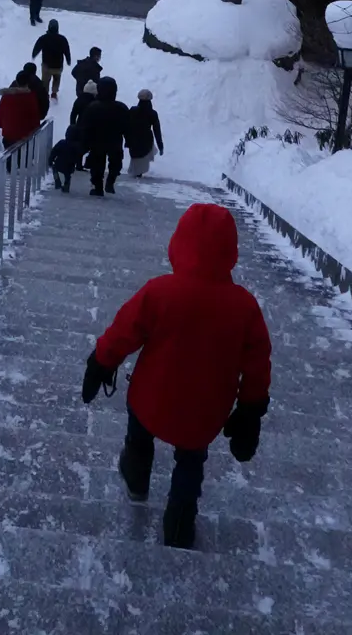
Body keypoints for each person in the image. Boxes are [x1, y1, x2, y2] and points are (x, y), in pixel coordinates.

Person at [81, 203, 272, 549]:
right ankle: (180, 520)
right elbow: (258, 362)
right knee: (191, 461)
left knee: (138, 437)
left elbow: (125, 330)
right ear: (230, 251)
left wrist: (101, 362)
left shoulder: (159, 292)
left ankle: (137, 477)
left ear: (179, 243)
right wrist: (250, 411)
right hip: (204, 412)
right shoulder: (244, 306)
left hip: (151, 400)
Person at [77, 75, 129, 195]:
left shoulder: (93, 107)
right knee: (115, 162)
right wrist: (129, 139)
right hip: (115, 140)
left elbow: (85, 127)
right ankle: (110, 181)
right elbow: (128, 126)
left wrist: (84, 142)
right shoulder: (121, 108)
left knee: (97, 164)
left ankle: (98, 187)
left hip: (97, 141)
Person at [126, 89, 164, 177]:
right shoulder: (152, 113)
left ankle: (136, 173)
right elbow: (156, 130)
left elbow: (127, 125)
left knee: (136, 159)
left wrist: (127, 140)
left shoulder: (133, 110)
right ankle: (139, 173)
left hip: (133, 140)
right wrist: (160, 146)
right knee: (143, 159)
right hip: (146, 140)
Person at [32, 18, 72, 101]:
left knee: (45, 81)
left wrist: (34, 55)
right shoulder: (62, 39)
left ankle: (45, 94)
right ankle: (54, 93)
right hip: (58, 65)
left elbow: (37, 47)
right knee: (57, 79)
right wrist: (68, 60)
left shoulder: (43, 38)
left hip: (46, 65)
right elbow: (67, 51)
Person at [0, 75, 39, 150]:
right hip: (24, 137)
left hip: (8, 136)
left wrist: (3, 125)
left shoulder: (5, 96)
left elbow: (0, 114)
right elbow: (34, 118)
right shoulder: (30, 97)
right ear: (27, 83)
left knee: (10, 157)